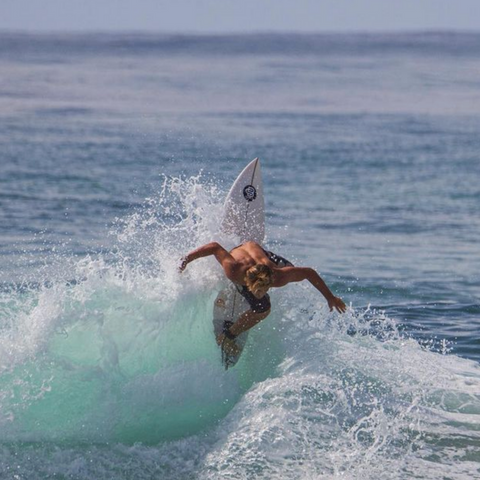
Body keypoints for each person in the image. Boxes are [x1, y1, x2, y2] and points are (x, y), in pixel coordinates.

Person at [179, 241, 346, 355]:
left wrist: (330, 297)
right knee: (263, 308)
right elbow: (214, 247)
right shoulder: (233, 270)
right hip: (241, 255)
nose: (262, 293)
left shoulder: (278, 277)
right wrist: (186, 259)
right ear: (248, 283)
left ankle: (230, 334)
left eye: (265, 289)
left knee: (291, 270)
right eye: (258, 290)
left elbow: (308, 272)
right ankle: (229, 336)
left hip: (262, 255)